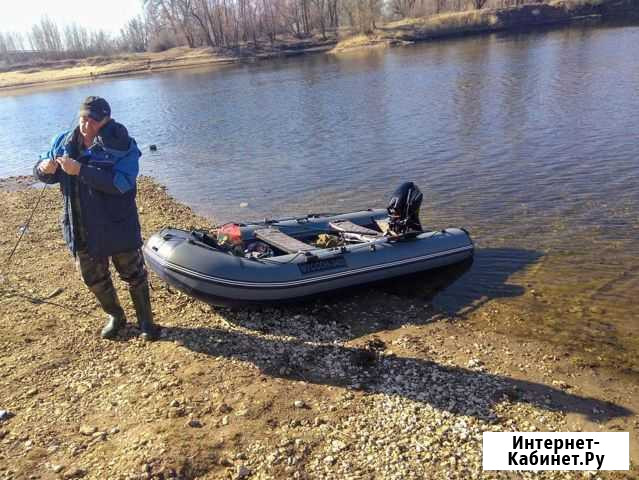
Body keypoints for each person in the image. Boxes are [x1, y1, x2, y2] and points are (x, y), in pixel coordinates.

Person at [34, 96, 159, 341]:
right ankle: (116, 316)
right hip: (80, 225)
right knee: (92, 277)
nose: (86, 124)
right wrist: (43, 169)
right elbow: (44, 172)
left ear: (105, 120)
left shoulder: (123, 144)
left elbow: (123, 183)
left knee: (134, 274)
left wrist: (81, 170)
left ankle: (146, 321)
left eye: (92, 120)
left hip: (117, 224)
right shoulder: (63, 142)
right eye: (83, 118)